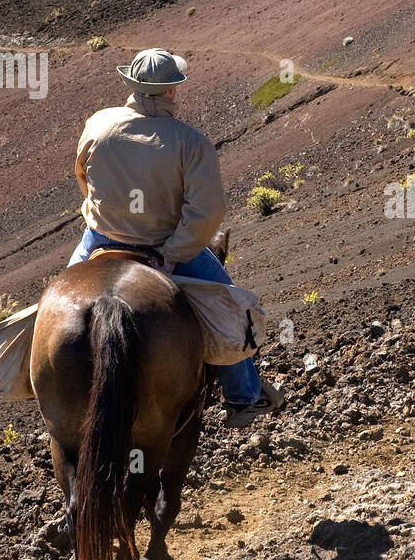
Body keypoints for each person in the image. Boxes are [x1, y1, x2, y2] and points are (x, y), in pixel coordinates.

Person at [69, 47, 282, 425]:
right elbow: (206, 213)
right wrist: (170, 253)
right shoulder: (190, 142)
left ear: (130, 84)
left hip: (100, 241)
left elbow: (83, 176)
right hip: (165, 249)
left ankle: (39, 384)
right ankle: (244, 398)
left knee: (57, 304)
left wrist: (105, 218)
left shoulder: (97, 125)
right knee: (230, 310)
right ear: (172, 90)